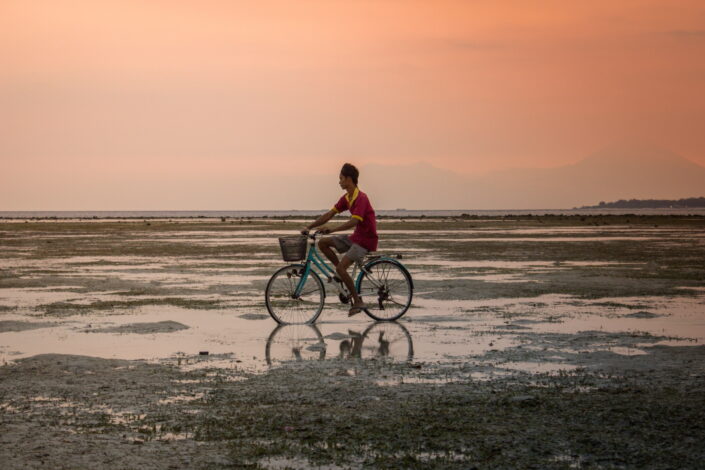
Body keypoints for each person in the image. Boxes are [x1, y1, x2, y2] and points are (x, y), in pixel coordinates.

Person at [302, 163, 378, 316]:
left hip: (365, 240)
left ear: (349, 179)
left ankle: (358, 301)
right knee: (323, 243)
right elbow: (329, 214)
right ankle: (340, 275)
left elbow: (354, 222)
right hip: (355, 237)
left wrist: (333, 229)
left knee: (341, 268)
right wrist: (309, 227)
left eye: (341, 178)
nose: (339, 182)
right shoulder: (347, 198)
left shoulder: (361, 198)